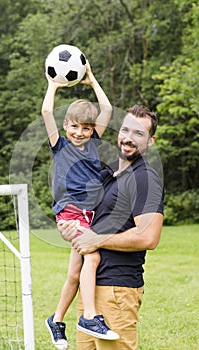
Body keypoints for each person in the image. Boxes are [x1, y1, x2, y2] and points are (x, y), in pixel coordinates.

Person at [58, 104, 164, 350]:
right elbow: (92, 223)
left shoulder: (144, 178)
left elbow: (149, 237)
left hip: (117, 290)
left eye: (138, 134)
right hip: (90, 291)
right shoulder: (110, 174)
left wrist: (98, 240)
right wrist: (71, 231)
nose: (128, 138)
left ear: (150, 141)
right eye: (125, 130)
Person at [41, 60, 119, 350]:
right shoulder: (59, 146)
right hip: (71, 216)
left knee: (76, 272)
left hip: (90, 217)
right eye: (74, 126)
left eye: (86, 128)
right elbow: (47, 111)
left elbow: (108, 110)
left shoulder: (95, 144)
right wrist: (52, 85)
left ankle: (56, 319)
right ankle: (89, 315)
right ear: (66, 126)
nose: (80, 132)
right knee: (94, 257)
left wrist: (92, 80)